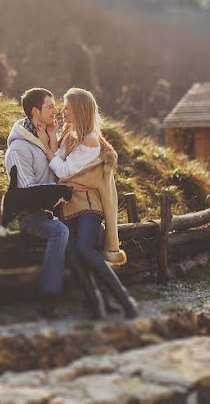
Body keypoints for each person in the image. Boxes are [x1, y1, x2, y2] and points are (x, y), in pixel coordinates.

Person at [37, 87, 139, 319]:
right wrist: (52, 138)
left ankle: (125, 300)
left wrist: (46, 149)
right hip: (70, 204)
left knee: (84, 248)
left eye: (67, 108)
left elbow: (62, 170)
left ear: (79, 110)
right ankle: (96, 305)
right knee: (72, 253)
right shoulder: (70, 135)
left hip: (89, 206)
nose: (63, 112)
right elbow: (60, 164)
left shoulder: (90, 141)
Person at [3, 88, 70, 318]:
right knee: (59, 232)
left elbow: (60, 173)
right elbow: (27, 192)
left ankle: (93, 292)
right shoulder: (18, 149)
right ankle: (48, 299)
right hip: (30, 215)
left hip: (50, 210)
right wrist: (60, 192)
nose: (56, 110)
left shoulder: (44, 139)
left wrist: (52, 142)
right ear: (35, 111)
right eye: (50, 106)